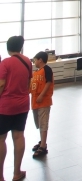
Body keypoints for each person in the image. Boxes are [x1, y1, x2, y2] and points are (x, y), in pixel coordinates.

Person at [0, 36, 32, 181]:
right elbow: (28, 83)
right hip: (23, 104)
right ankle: (16, 173)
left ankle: (0, 176)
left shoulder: (5, 63)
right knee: (19, 136)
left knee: (1, 139)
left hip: (5, 106)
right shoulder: (27, 61)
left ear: (8, 47)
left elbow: (1, 84)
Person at [30, 52, 54, 158]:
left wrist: (41, 95)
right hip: (35, 102)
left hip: (43, 101)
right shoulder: (36, 72)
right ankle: (42, 141)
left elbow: (48, 82)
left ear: (40, 60)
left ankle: (43, 146)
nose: (34, 62)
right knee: (39, 123)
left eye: (35, 60)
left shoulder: (47, 69)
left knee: (43, 123)